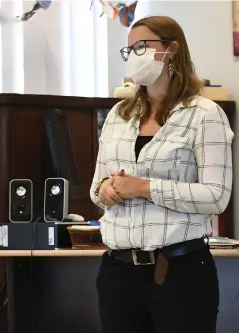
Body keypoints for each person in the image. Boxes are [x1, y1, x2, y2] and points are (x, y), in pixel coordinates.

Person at [90, 16, 233, 333]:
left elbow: (216, 196)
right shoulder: (119, 114)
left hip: (180, 272)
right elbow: (95, 188)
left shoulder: (204, 114)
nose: (135, 54)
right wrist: (106, 190)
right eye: (129, 50)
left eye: (143, 46)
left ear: (172, 49)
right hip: (117, 272)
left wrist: (144, 187)